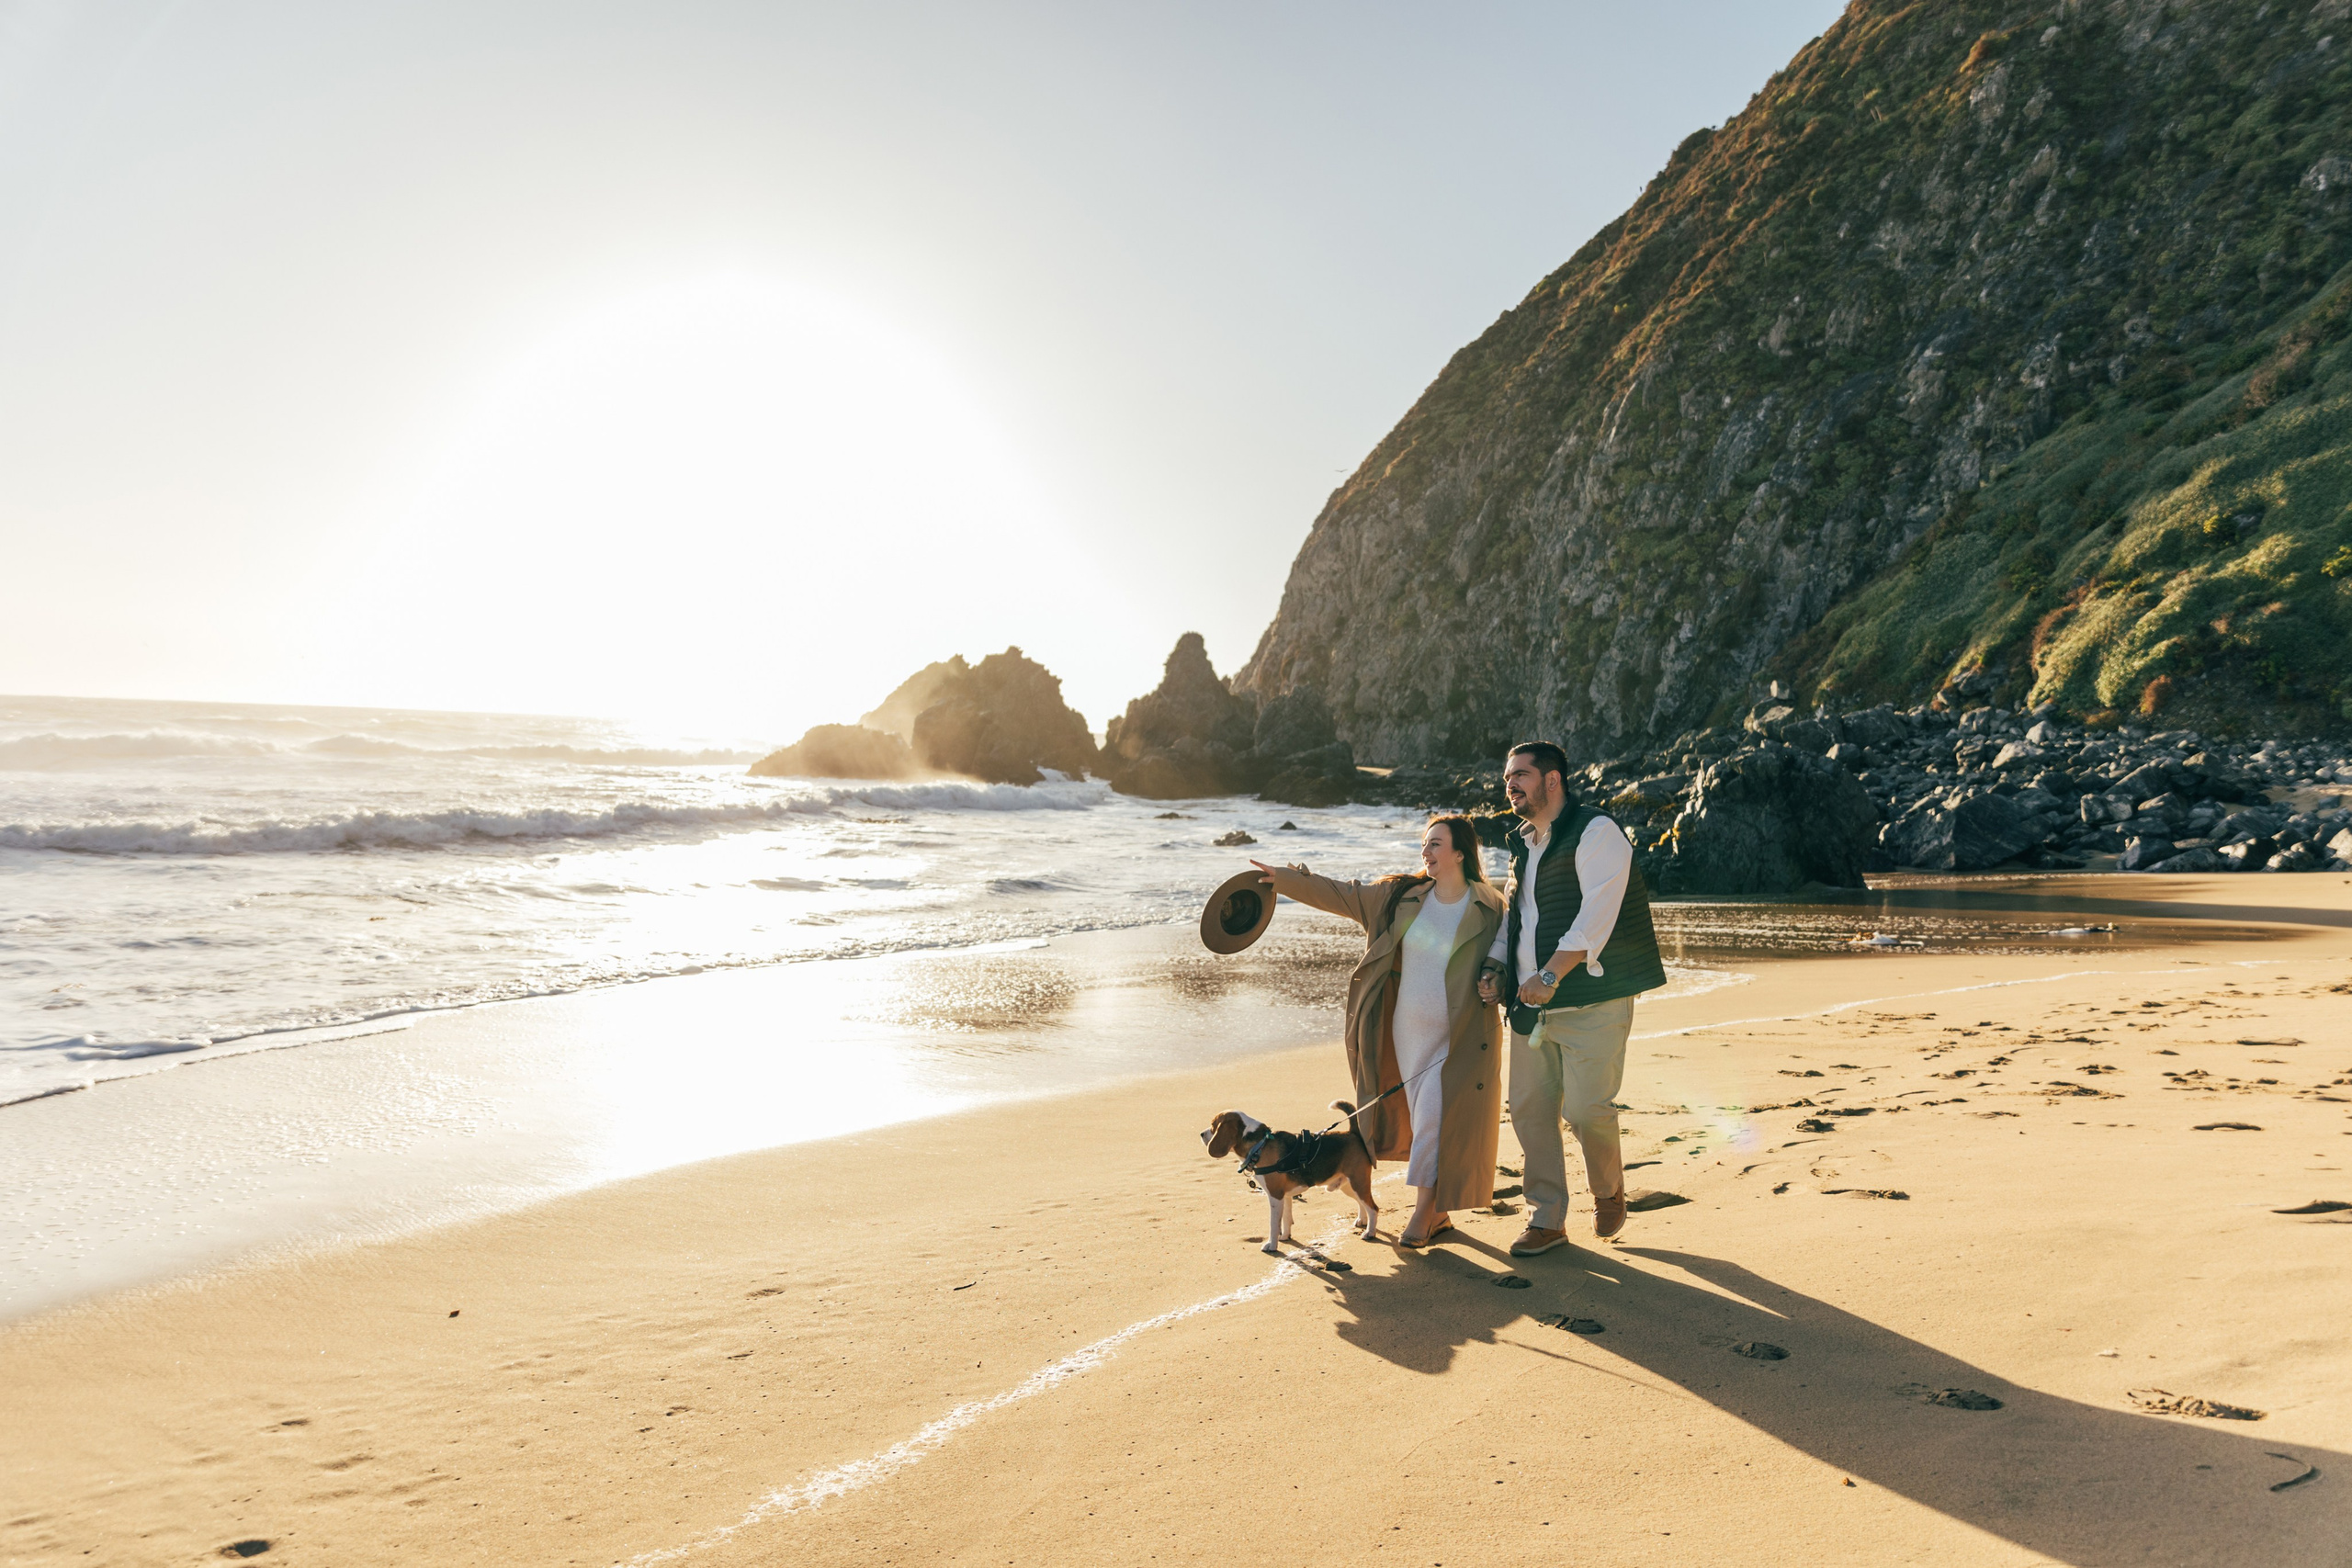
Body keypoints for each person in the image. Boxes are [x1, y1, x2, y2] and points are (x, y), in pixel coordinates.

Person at [1250, 816, 1506, 1247]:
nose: (1425, 851)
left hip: (1463, 1032)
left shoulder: (1490, 905)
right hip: (1408, 1031)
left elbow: (1508, 952)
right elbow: (1344, 894)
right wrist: (1285, 880)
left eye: (1436, 844)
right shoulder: (1399, 897)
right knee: (1426, 1116)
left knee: (1435, 1116)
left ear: (1460, 853)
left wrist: (1497, 979)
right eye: (1424, 843)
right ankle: (1438, 1212)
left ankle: (1425, 1210)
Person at [1477, 741, 1668, 1255]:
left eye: (1520, 775)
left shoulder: (1596, 831)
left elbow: (1596, 915)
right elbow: (1518, 918)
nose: (1510, 785)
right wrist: (1497, 966)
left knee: (1585, 1110)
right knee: (1529, 1112)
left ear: (1553, 779)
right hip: (1530, 1007)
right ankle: (1546, 1219)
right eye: (1507, 777)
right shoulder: (1524, 843)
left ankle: (1608, 1190)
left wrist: (1550, 974)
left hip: (1592, 1000)